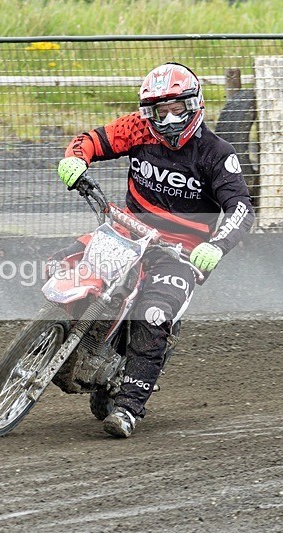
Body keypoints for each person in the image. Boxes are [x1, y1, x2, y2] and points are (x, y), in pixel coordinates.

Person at [55, 62, 255, 437]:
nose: (167, 117)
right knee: (59, 264)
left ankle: (129, 408)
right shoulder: (137, 127)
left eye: (176, 107)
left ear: (194, 105)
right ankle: (58, 342)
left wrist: (217, 246)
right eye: (158, 110)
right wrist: (75, 157)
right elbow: (95, 139)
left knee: (153, 314)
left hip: (181, 249)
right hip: (127, 230)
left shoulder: (216, 153)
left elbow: (240, 206)